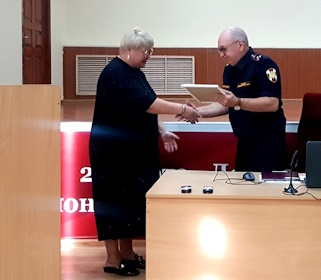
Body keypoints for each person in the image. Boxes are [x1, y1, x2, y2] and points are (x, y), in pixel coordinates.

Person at [88, 27, 200, 277]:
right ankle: (112, 258)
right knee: (113, 202)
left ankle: (127, 253)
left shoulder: (134, 72)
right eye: (144, 51)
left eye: (150, 50)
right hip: (112, 152)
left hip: (130, 150)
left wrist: (162, 131)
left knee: (129, 201)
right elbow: (149, 104)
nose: (148, 55)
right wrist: (183, 108)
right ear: (129, 49)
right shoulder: (115, 73)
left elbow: (144, 105)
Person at [195, 26, 287, 172]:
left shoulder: (263, 64)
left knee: (266, 185)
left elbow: (272, 103)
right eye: (219, 50)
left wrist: (238, 102)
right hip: (244, 141)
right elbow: (226, 103)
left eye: (223, 49)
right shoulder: (229, 70)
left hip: (268, 144)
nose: (221, 55)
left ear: (240, 45)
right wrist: (196, 112)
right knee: (242, 184)